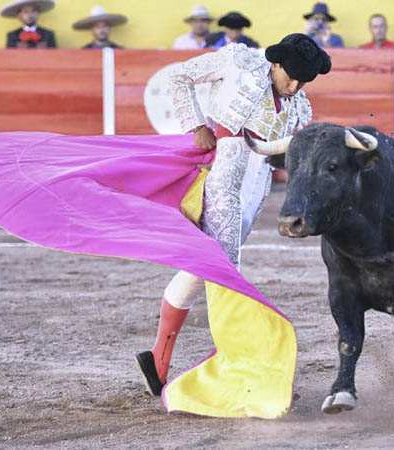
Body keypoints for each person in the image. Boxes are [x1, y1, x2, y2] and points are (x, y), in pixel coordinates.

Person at [135, 33, 331, 397]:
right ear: (275, 63)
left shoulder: (298, 104)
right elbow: (179, 76)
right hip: (224, 179)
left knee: (202, 269)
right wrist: (197, 126)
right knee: (226, 272)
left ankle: (157, 361)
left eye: (303, 82)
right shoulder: (238, 62)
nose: (295, 87)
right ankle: (242, 370)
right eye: (291, 77)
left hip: (255, 190)